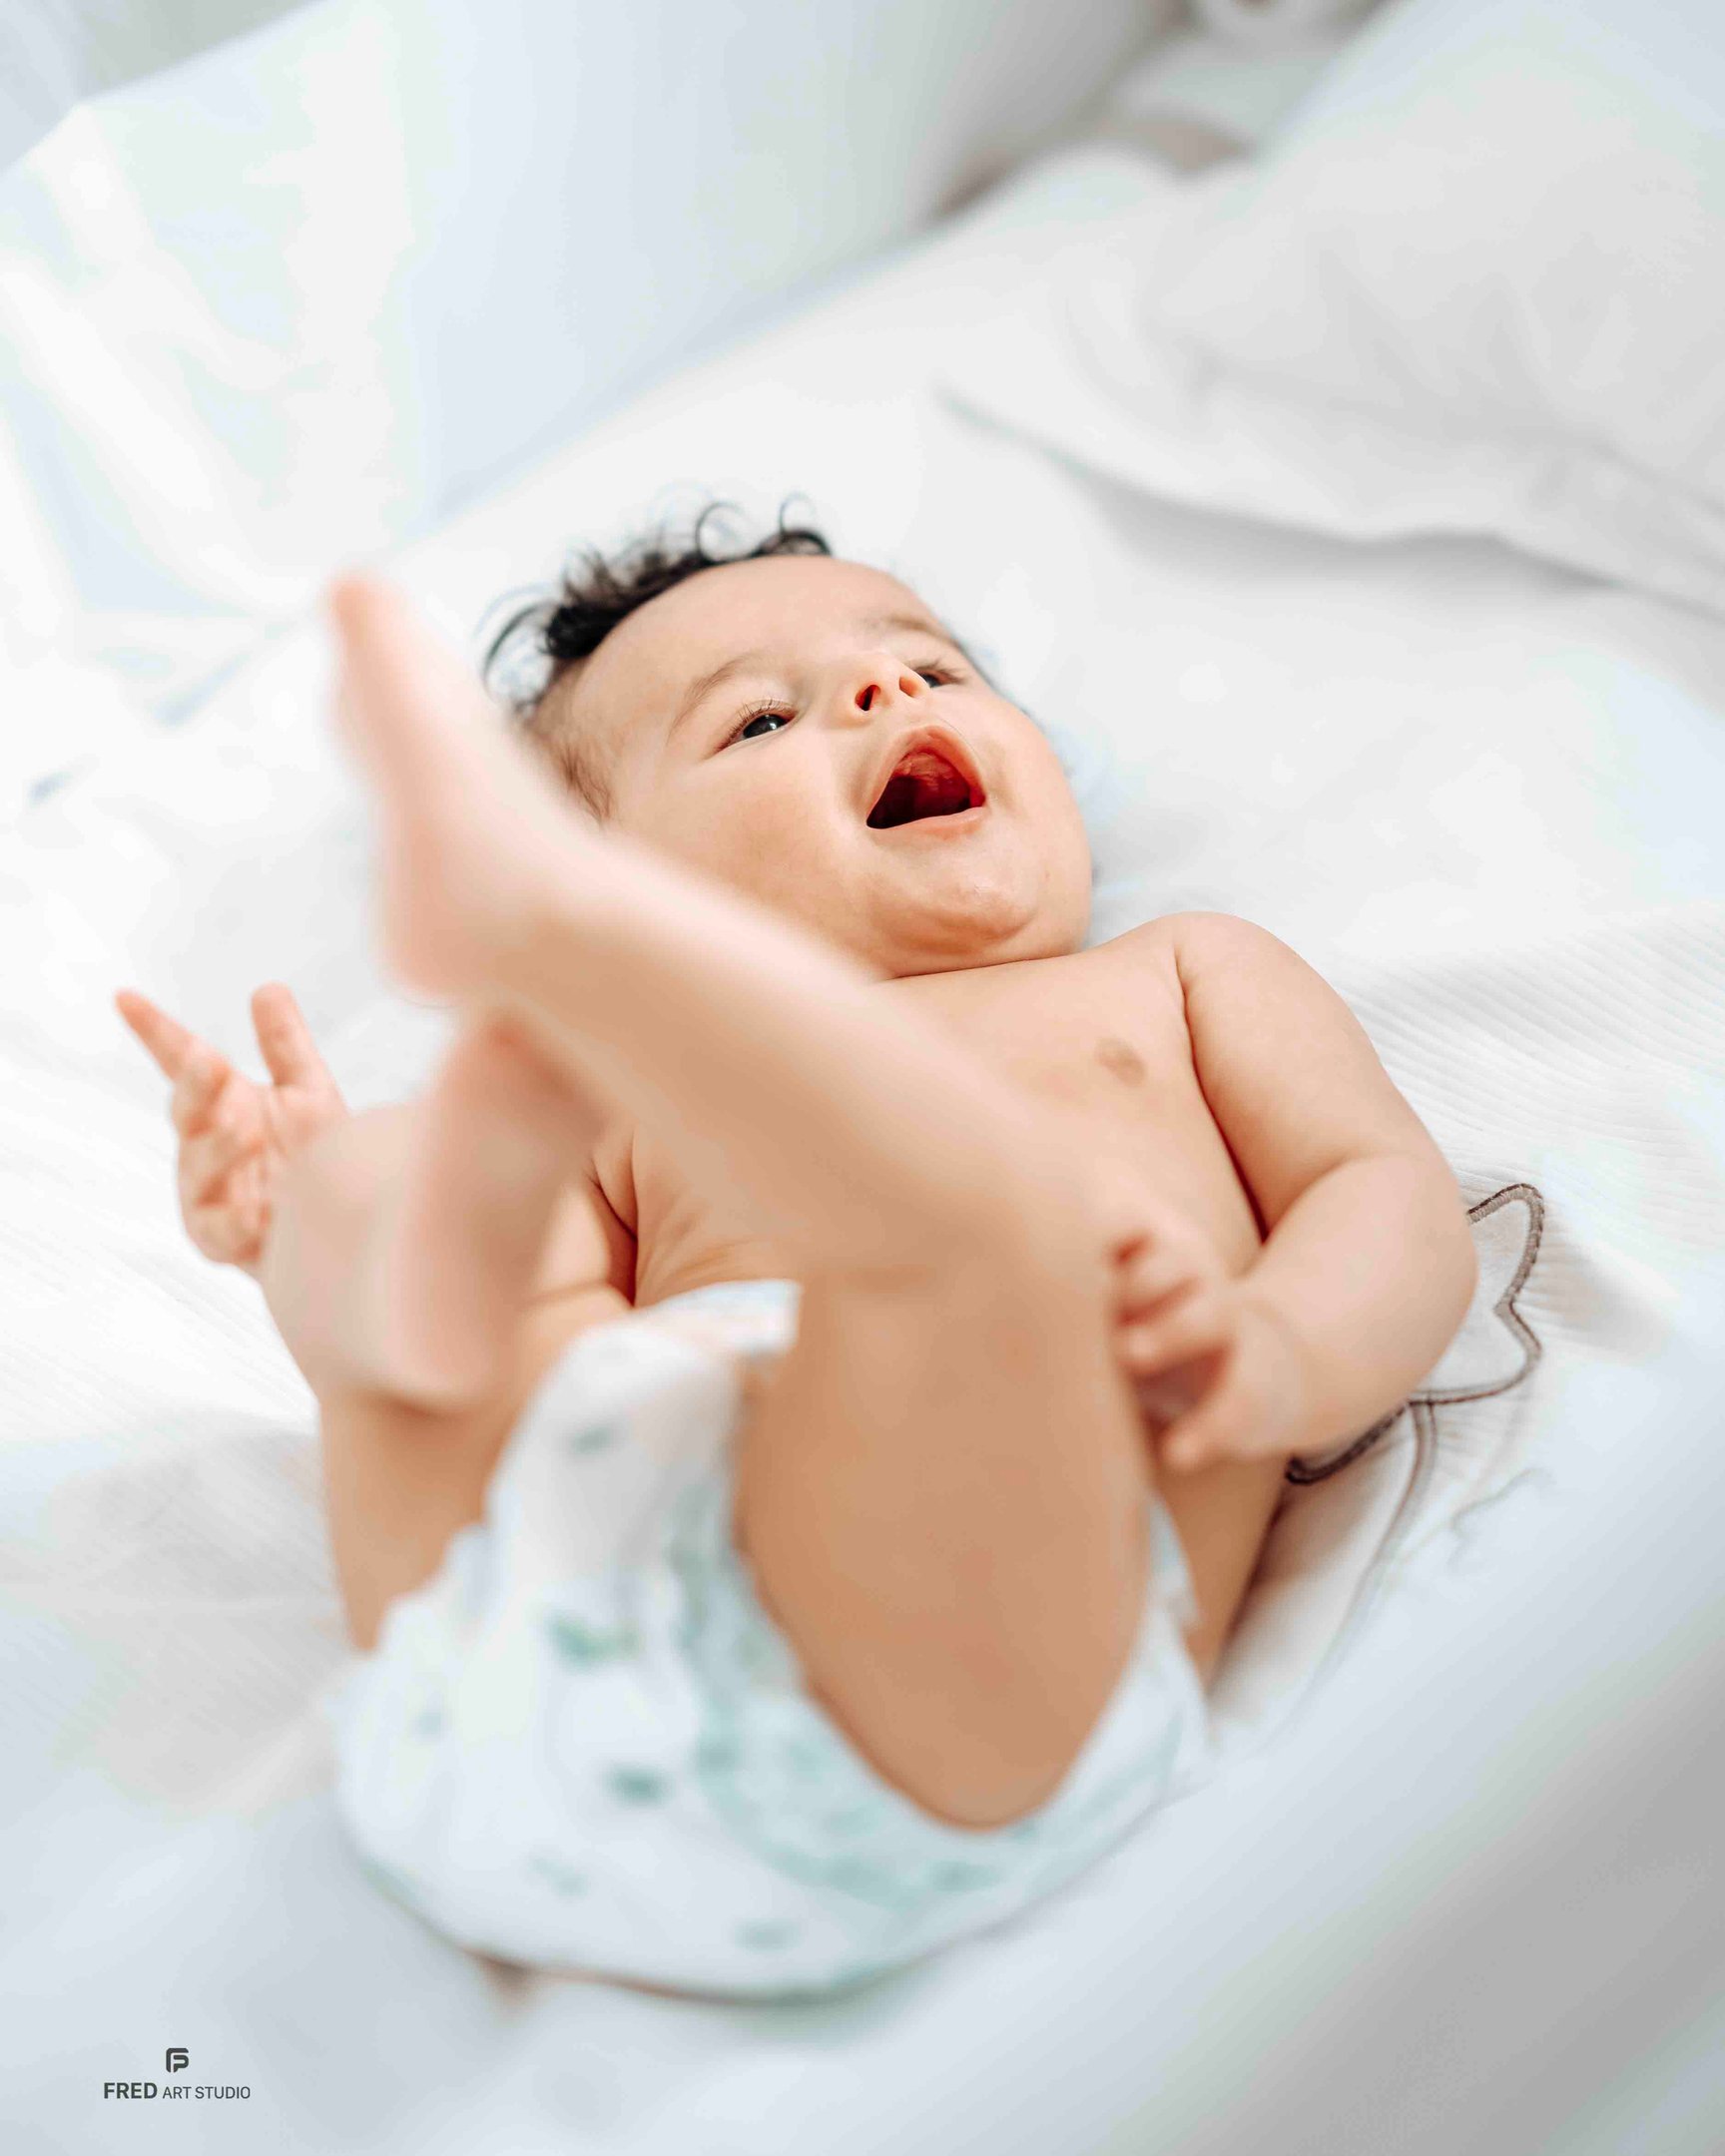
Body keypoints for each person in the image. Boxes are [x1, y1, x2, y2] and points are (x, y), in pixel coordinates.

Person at [116, 514, 1475, 1998]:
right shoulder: (628, 1097)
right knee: (414, 1204)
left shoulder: (1181, 973)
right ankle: (381, 1193)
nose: (889, 698)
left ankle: (534, 959)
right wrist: (318, 1246)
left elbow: (1383, 1195)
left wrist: (1285, 1349)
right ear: (655, 884)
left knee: (982, 1236)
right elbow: (519, 1348)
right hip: (531, 1682)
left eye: (927, 665)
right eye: (759, 718)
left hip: (956, 1698)